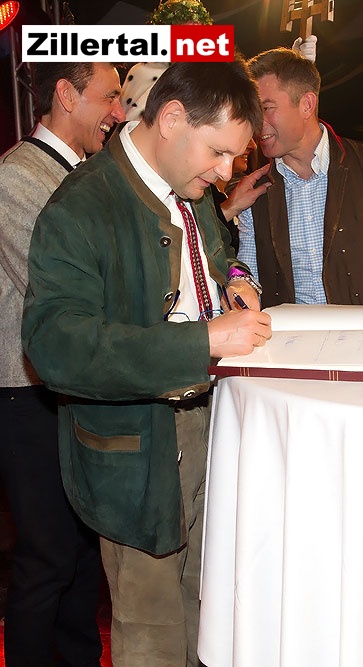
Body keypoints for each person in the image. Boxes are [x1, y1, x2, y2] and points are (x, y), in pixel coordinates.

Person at [21, 58, 272, 667]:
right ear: (172, 118)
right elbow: (54, 346)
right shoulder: (80, 207)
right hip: (134, 454)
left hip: (211, 429)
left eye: (233, 157)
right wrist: (202, 342)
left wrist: (235, 278)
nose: (225, 173)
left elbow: (217, 250)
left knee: (209, 609)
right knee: (152, 631)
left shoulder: (188, 182)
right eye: (217, 152)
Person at [0, 61, 125, 666]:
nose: (119, 113)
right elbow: (64, 292)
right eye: (110, 97)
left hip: (67, 390)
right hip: (25, 396)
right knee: (47, 557)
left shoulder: (80, 173)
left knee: (77, 553)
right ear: (66, 96)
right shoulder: (16, 177)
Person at [237, 47, 363, 317]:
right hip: (290, 342)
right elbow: (248, 282)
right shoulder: (255, 191)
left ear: (307, 105)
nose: (256, 122)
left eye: (266, 108)